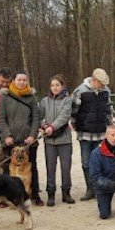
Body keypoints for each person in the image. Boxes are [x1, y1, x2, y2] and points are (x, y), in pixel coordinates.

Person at [0, 71, 43, 205]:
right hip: (10, 139)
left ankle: (34, 195)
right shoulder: (5, 97)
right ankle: (6, 198)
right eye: (19, 80)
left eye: (24, 80)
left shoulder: (32, 98)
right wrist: (6, 135)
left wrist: (32, 135)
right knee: (7, 170)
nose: (22, 82)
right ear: (14, 81)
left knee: (31, 167)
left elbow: (36, 118)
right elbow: (1, 118)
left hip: (28, 140)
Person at [71, 68, 113, 201]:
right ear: (94, 81)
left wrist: (110, 125)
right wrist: (74, 124)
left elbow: (109, 109)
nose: (103, 85)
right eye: (101, 83)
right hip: (85, 133)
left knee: (100, 160)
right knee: (86, 161)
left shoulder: (106, 91)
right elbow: (74, 110)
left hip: (101, 132)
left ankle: (99, 187)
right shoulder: (80, 91)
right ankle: (90, 188)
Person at [39, 74, 74, 206]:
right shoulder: (44, 101)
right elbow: (39, 116)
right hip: (49, 141)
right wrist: (44, 126)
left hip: (64, 139)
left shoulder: (67, 100)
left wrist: (52, 127)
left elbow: (64, 117)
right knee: (50, 167)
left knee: (66, 168)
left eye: (57, 85)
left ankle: (66, 192)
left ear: (62, 86)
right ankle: (51, 193)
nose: (55, 88)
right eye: (53, 85)